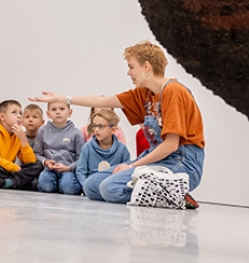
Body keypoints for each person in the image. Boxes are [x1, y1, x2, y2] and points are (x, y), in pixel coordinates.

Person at [31, 40, 205, 205]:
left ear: (146, 67)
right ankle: (159, 190)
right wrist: (63, 98)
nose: (128, 73)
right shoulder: (144, 93)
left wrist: (130, 165)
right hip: (157, 158)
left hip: (183, 164)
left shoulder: (173, 91)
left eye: (131, 67)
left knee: (110, 188)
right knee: (91, 186)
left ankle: (174, 195)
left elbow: (171, 145)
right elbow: (102, 101)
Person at [0, 99, 43, 190]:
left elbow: (30, 161)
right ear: (2, 116)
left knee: (37, 165)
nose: (19, 116)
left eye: (20, 113)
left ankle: (9, 182)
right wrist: (15, 168)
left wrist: (23, 141)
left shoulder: (17, 134)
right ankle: (16, 182)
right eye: (14, 113)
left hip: (7, 171)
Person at [33, 100, 84, 195]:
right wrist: (46, 162)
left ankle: (64, 186)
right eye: (53, 109)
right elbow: (37, 153)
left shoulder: (76, 133)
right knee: (45, 185)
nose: (58, 112)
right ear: (48, 114)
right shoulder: (42, 131)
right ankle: (55, 186)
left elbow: (82, 157)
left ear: (70, 112)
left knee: (68, 188)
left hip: (68, 169)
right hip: (49, 169)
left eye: (62, 109)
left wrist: (69, 168)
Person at [75, 109, 130, 192]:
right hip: (91, 188)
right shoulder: (87, 147)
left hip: (112, 189)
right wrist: (87, 188)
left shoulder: (122, 150)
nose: (96, 129)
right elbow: (81, 171)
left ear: (113, 130)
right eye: (94, 126)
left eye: (101, 126)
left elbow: (125, 173)